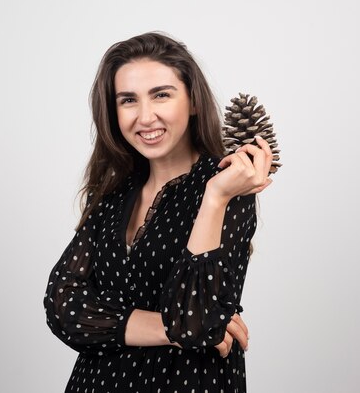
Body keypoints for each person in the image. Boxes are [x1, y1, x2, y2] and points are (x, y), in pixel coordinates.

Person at [43, 31, 273, 393]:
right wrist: (172, 330)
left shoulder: (227, 189)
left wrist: (213, 198)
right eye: (128, 100)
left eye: (161, 95)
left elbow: (194, 323)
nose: (145, 116)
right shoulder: (115, 193)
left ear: (193, 102)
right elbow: (64, 307)